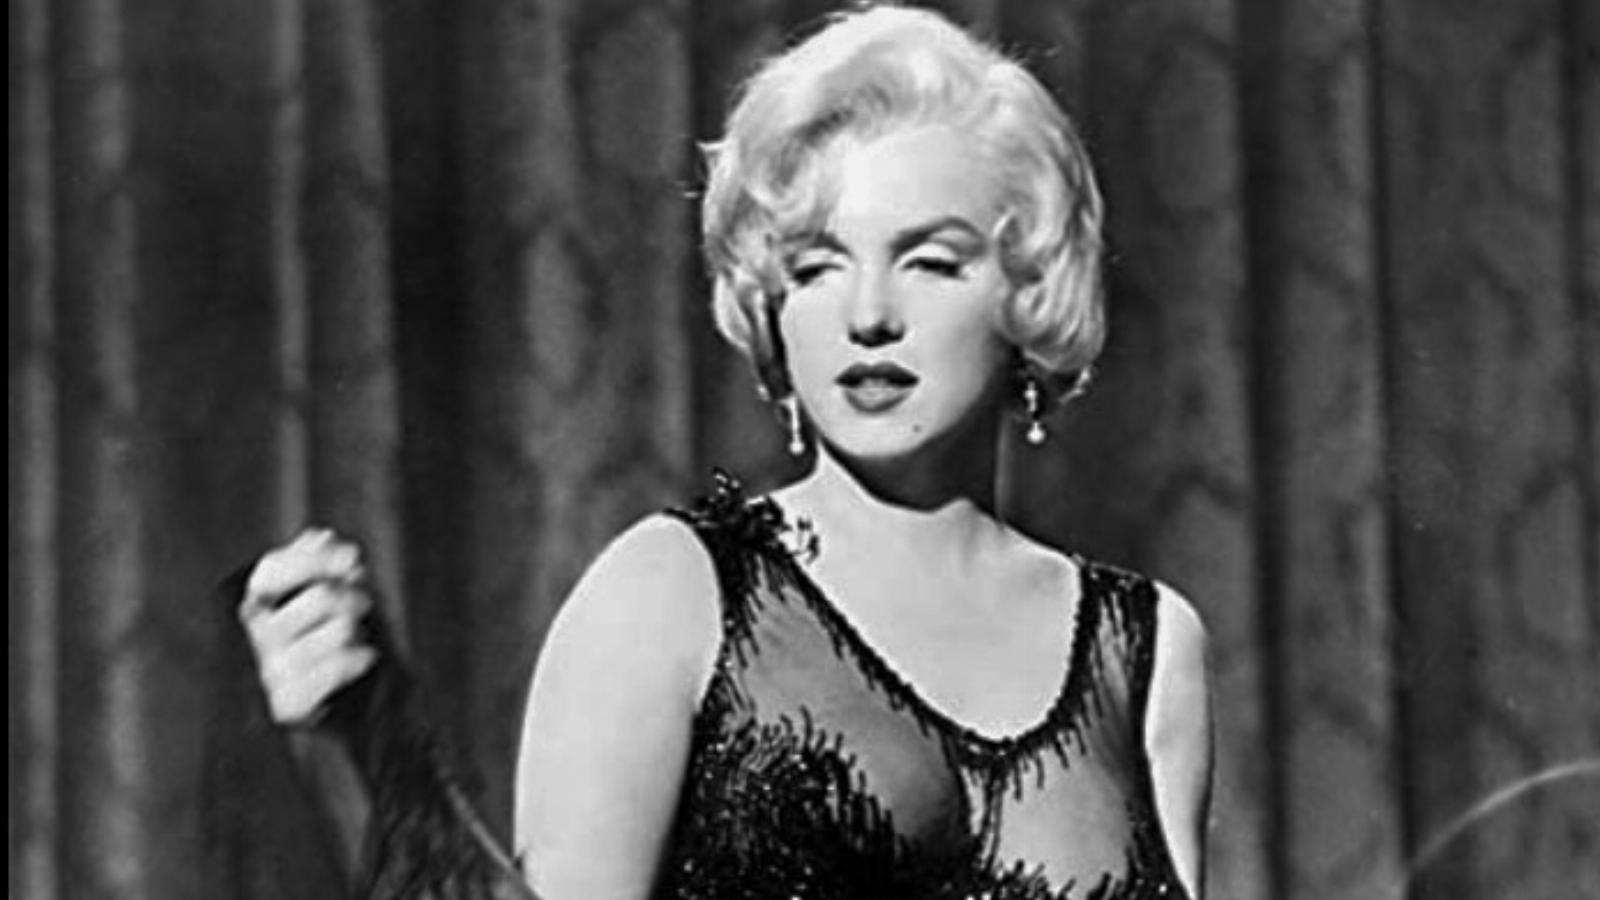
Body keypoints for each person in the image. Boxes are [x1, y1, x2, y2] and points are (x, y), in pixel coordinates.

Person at [239, 6, 1214, 899]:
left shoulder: (1148, 647)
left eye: (929, 262)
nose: (869, 315)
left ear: (1030, 292)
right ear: (770, 306)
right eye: (816, 267)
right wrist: (375, 738)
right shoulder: (673, 592)